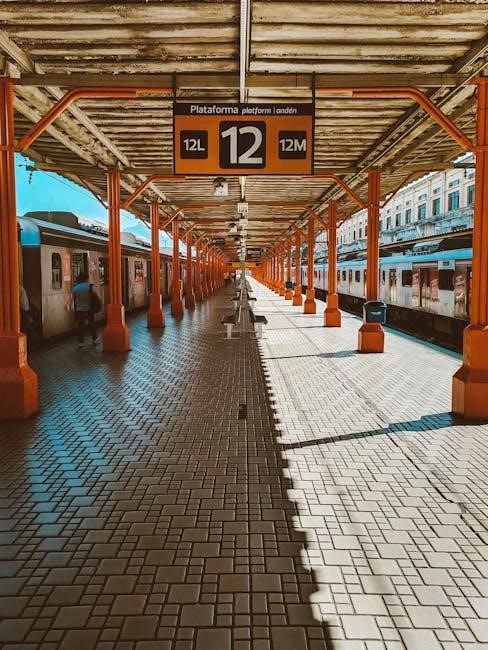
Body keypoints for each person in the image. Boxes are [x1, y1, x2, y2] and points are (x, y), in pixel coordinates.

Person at [72, 272, 98, 348]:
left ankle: (81, 342)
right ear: (86, 279)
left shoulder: (75, 288)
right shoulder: (89, 286)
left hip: (80, 310)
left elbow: (73, 298)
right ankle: (95, 339)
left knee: (81, 326)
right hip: (89, 309)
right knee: (92, 324)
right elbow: (94, 296)